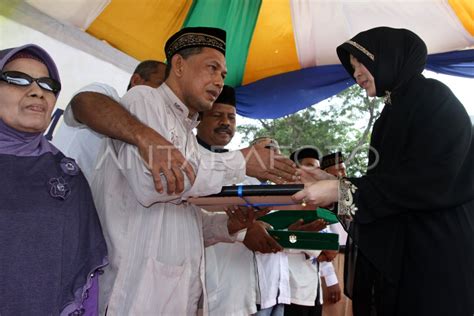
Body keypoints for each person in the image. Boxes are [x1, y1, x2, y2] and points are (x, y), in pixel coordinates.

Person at [92, 27, 297, 315]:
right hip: (134, 295)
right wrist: (240, 162)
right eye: (212, 68)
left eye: (223, 75)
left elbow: (184, 218)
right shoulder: (144, 101)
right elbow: (155, 184)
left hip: (174, 297)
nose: (217, 81)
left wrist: (229, 225)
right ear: (178, 65)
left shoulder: (187, 131)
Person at [293, 27, 474, 316]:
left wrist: (344, 191)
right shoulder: (389, 115)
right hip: (402, 258)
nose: (357, 75)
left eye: (362, 64)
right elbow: (387, 185)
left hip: (436, 257)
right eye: (353, 68)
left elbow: (434, 180)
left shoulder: (432, 99)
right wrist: (334, 183)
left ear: (390, 59)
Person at [0, 44, 107, 314]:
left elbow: (86, 276)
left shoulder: (65, 175)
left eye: (47, 85)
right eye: (17, 79)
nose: (37, 91)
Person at [198, 85, 284, 316]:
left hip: (237, 288)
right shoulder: (188, 158)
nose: (226, 122)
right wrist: (245, 231)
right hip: (199, 285)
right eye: (217, 115)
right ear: (198, 119)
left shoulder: (239, 166)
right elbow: (193, 210)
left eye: (231, 117)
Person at [53, 59, 195, 193]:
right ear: (136, 81)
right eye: (161, 86)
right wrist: (144, 136)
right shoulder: (107, 94)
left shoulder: (159, 137)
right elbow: (84, 102)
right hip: (56, 193)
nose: (166, 97)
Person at [285, 147, 339, 316]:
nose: (314, 172)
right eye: (309, 166)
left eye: (317, 167)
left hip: (312, 290)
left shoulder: (318, 203)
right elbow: (278, 241)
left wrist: (331, 280)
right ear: (295, 170)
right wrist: (317, 249)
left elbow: (327, 244)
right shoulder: (281, 200)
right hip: (290, 290)